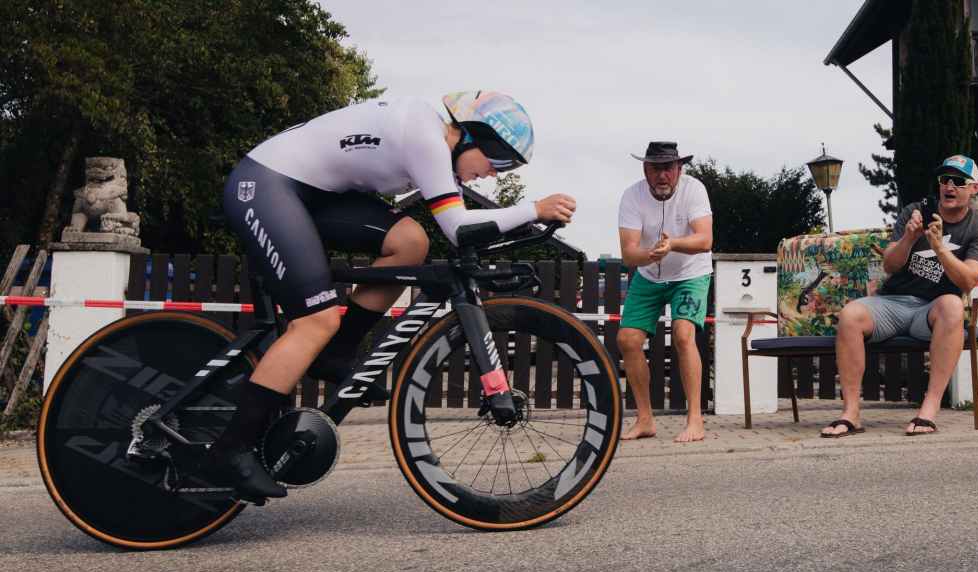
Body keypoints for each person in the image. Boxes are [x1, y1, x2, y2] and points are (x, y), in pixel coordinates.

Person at [212, 91, 576, 499]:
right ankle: (231, 449)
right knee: (316, 320)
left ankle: (336, 354)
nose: (494, 174)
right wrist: (533, 209)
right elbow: (458, 228)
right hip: (267, 184)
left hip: (314, 194)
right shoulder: (426, 139)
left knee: (410, 243)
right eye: (499, 161)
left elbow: (458, 229)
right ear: (472, 137)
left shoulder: (436, 147)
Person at [821, 155, 978, 438]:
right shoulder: (915, 211)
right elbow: (890, 265)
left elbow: (968, 280)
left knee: (953, 305)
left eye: (958, 181)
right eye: (944, 180)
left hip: (933, 311)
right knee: (850, 315)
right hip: (894, 302)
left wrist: (939, 248)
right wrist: (909, 239)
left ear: (974, 188)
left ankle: (929, 409)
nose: (949, 186)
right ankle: (851, 414)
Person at [616, 141, 713, 443]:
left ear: (679, 169)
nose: (662, 175)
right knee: (627, 340)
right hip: (649, 275)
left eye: (668, 168)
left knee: (683, 335)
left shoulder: (694, 189)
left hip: (690, 274)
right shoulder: (631, 196)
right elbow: (629, 254)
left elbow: (705, 239)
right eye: (655, 168)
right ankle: (645, 420)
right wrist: (651, 255)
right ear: (645, 169)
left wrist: (672, 245)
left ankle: (695, 420)